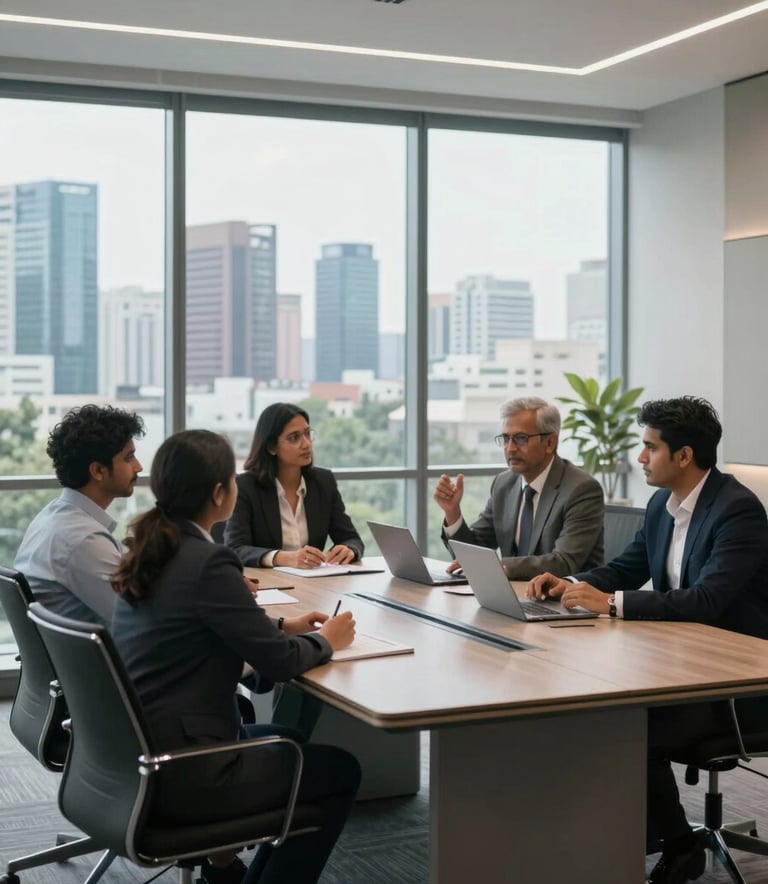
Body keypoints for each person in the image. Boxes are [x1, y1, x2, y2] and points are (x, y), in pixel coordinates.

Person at [528, 396, 768, 884]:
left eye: (649, 447)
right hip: (682, 665)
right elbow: (627, 568)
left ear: (683, 456)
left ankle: (679, 846)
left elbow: (705, 601)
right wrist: (570, 584)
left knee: (625, 733)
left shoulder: (737, 512)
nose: (640, 458)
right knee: (597, 714)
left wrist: (613, 603)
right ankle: (634, 836)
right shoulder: (663, 504)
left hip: (737, 686)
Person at [111, 429, 361, 884]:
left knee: (287, 735)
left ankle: (224, 875)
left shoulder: (155, 547)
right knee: (341, 769)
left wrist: (285, 625)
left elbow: (199, 625)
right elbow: (279, 664)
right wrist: (331, 640)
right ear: (220, 494)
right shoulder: (209, 561)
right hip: (189, 769)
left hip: (139, 752)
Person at [433, 396, 604, 579]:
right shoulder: (504, 484)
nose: (510, 448)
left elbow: (564, 562)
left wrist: (501, 566)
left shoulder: (581, 489)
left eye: (521, 439)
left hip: (564, 602)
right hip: (511, 596)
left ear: (550, 443)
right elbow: (474, 551)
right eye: (506, 439)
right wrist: (452, 512)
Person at [14, 404, 145, 625]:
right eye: (129, 457)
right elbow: (141, 619)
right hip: (96, 659)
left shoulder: (52, 517)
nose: (139, 467)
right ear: (98, 471)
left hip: (65, 658)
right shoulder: (83, 540)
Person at [224, 402, 364, 568]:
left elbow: (352, 538)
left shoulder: (323, 482)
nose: (306, 444)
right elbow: (235, 549)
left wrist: (348, 549)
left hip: (314, 585)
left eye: (307, 434)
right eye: (294, 438)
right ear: (271, 447)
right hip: (267, 586)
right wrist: (283, 558)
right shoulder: (245, 486)